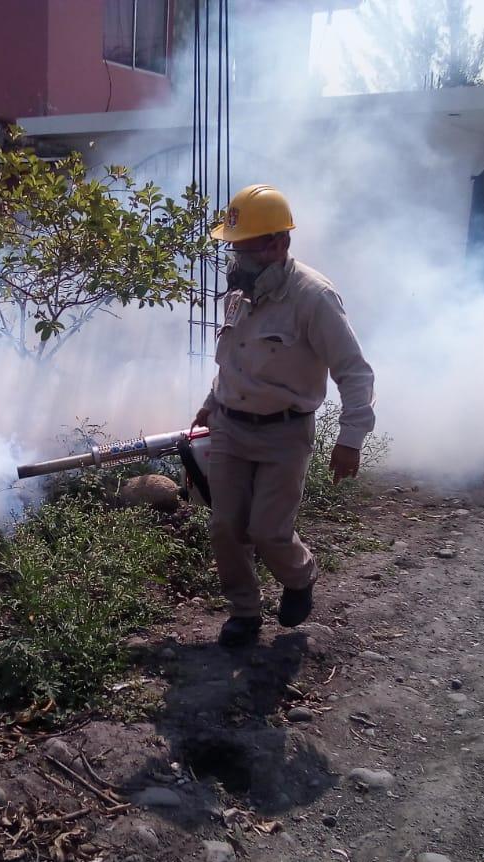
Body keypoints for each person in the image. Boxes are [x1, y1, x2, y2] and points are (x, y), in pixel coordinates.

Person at [193, 184, 375, 645]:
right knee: (226, 527)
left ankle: (300, 577)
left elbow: (354, 372)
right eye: (232, 248)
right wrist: (212, 403)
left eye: (245, 249)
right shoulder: (242, 291)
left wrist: (350, 439)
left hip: (284, 433)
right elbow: (231, 361)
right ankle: (245, 612)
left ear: (279, 244)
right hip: (232, 426)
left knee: (270, 532)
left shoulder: (314, 299)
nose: (235, 260)